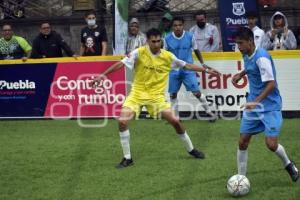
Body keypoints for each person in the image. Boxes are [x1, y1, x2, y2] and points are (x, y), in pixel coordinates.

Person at [91, 28, 220, 168]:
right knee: (122, 122)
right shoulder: (139, 52)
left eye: (159, 41)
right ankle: (127, 158)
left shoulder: (168, 56)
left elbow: (186, 65)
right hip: (137, 94)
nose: (157, 44)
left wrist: (206, 70)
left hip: (156, 97)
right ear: (147, 41)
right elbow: (121, 64)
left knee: (176, 122)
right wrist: (102, 76)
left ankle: (191, 149)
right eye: (154, 41)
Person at [232, 27, 299, 182]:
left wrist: (255, 102)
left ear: (250, 41)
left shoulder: (262, 57)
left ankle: (289, 164)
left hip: (269, 106)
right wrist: (241, 74)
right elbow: (250, 68)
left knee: (271, 144)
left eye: (241, 43)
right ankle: (241, 178)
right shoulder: (247, 54)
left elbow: (271, 84)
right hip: (254, 105)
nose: (239, 47)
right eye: (237, 44)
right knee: (242, 141)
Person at [164, 16, 217, 120]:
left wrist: (202, 63)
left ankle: (209, 112)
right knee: (173, 94)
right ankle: (176, 117)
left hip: (188, 69)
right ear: (172, 27)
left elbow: (196, 50)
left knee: (197, 93)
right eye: (175, 25)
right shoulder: (167, 39)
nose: (178, 27)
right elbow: (164, 55)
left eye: (180, 25)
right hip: (174, 70)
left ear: (183, 26)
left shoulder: (189, 36)